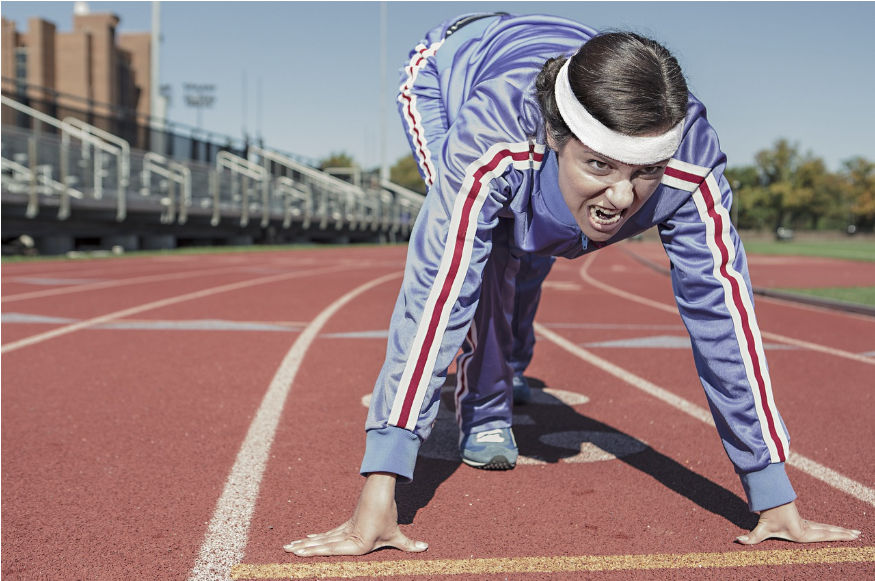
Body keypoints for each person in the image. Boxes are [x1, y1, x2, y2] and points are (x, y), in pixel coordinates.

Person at [285, 13, 861, 556]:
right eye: (600, 166)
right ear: (557, 137)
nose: (622, 197)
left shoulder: (691, 163)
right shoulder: (493, 138)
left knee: (540, 243)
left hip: (563, 61)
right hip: (448, 70)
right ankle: (485, 406)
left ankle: (511, 360)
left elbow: (724, 317)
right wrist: (382, 485)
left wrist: (772, 491)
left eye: (645, 172)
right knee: (489, 251)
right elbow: (437, 293)